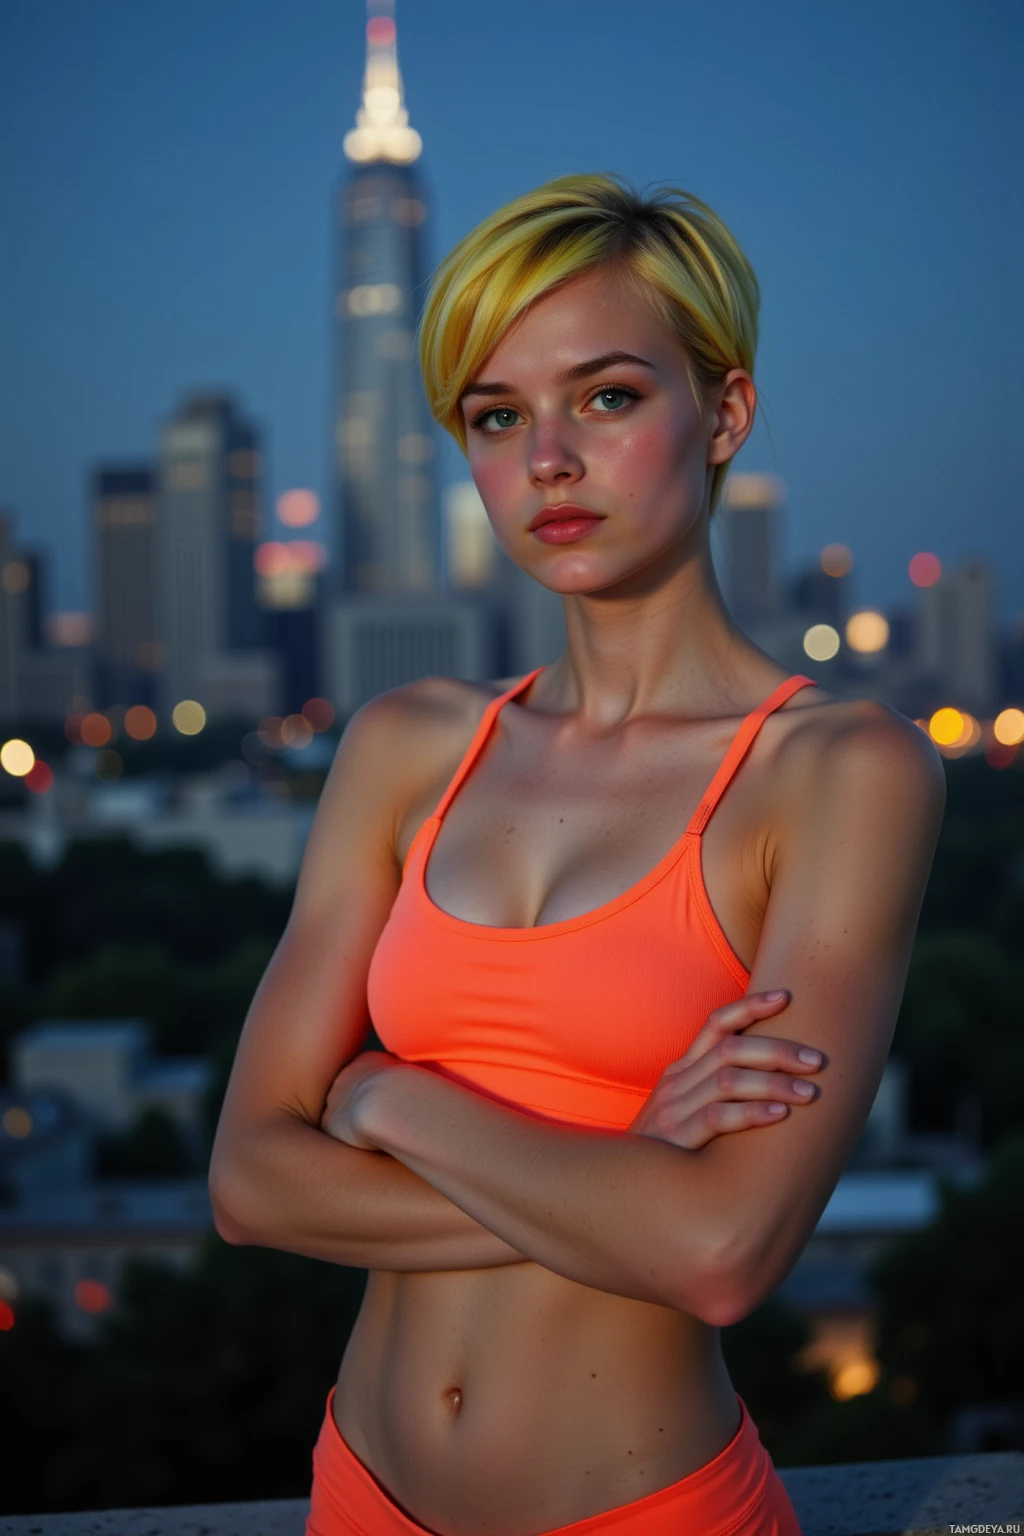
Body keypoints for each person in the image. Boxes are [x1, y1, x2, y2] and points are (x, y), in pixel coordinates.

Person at [209, 174, 945, 1535]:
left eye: (606, 396)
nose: (548, 458)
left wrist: (383, 1104)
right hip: (357, 1496)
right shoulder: (408, 746)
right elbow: (250, 1184)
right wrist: (629, 1167)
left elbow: (723, 1254)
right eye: (498, 417)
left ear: (722, 412)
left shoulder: (840, 771)